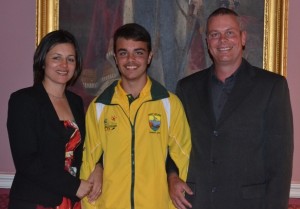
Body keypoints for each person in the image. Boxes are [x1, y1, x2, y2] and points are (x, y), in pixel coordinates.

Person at [168, 7, 294, 209]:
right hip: (196, 202)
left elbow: (280, 162)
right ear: (208, 42)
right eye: (215, 34)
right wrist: (172, 177)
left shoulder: (271, 86)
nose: (222, 40)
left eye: (229, 33)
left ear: (243, 38)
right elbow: (171, 142)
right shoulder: (187, 88)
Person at [80, 23, 191, 209]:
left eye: (138, 52)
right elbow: (89, 164)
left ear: (149, 57)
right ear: (115, 58)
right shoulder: (99, 107)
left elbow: (183, 158)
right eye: (123, 53)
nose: (130, 59)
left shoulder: (169, 104)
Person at [7, 30, 93, 209]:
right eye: (56, 58)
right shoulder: (23, 100)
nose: (64, 65)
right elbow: (27, 161)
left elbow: (82, 151)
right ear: (43, 61)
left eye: (70, 59)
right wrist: (74, 186)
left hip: (71, 200)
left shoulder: (76, 102)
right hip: (35, 201)